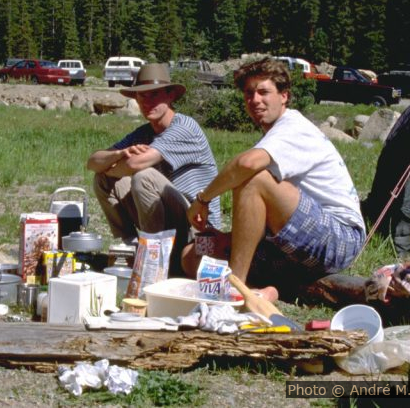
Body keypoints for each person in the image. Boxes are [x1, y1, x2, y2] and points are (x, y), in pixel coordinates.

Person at [184, 57, 366, 296]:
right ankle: (268, 291)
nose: (255, 100)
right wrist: (227, 238)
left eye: (263, 92)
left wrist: (203, 200)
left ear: (284, 96)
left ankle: (234, 290)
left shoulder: (294, 127)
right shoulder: (272, 136)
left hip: (339, 238)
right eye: (249, 93)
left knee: (252, 178)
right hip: (294, 239)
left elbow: (247, 164)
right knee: (192, 255)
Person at [86, 63, 221, 276]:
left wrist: (117, 165)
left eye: (154, 95)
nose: (147, 101)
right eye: (142, 96)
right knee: (102, 179)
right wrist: (118, 154)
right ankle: (131, 248)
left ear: (170, 96)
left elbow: (134, 165)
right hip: (168, 216)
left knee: (144, 177)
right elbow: (93, 162)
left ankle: (153, 259)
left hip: (197, 227)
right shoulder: (145, 132)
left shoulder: (184, 127)